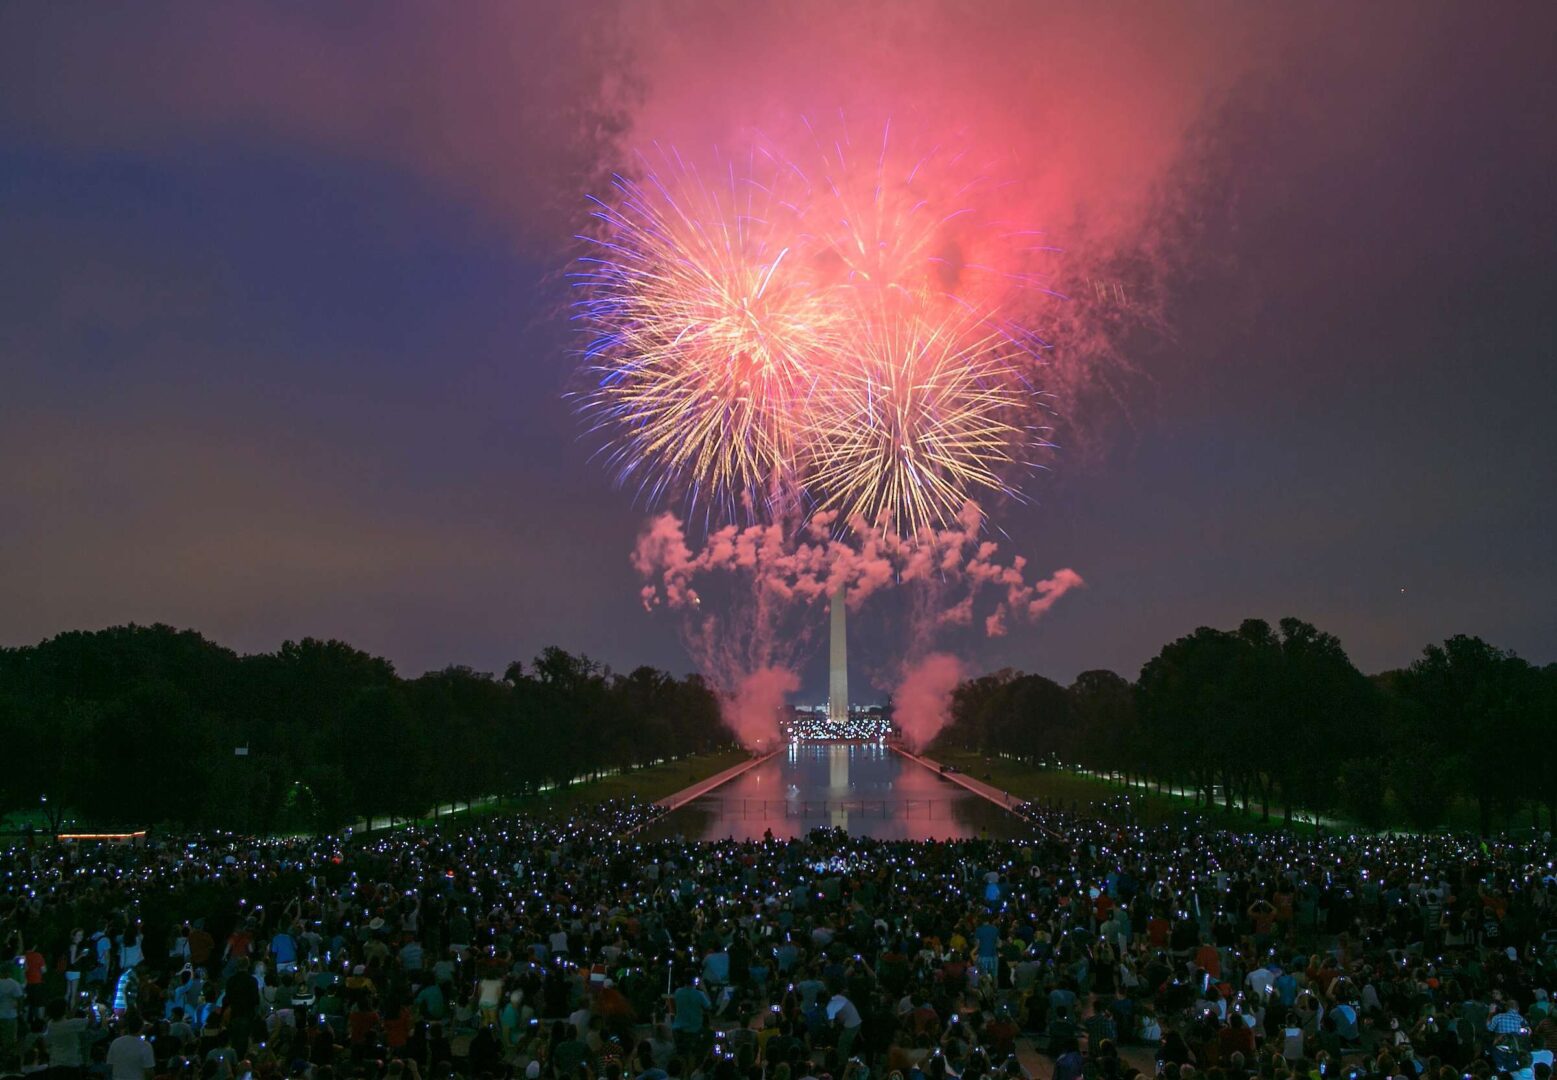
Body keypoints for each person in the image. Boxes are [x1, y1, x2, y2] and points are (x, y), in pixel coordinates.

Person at [107, 1014, 156, 1080]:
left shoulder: (116, 1042)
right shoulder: (145, 1046)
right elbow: (149, 1071)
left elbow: (110, 1065)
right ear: (141, 1028)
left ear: (127, 1027)